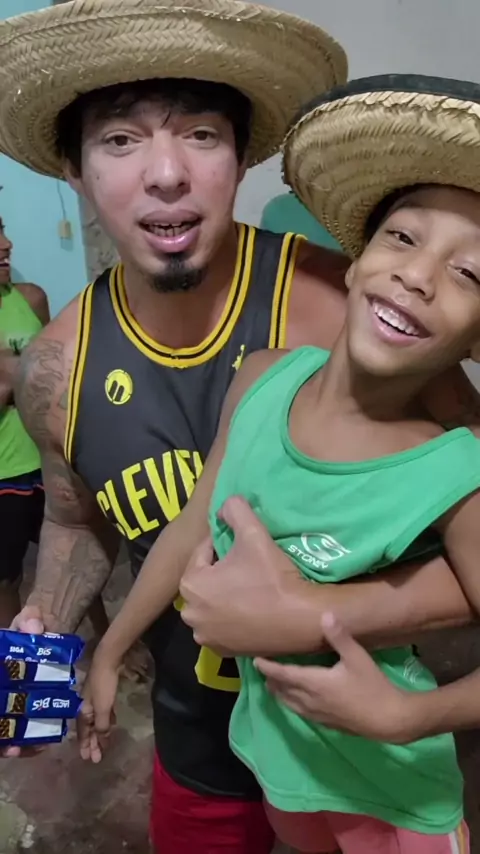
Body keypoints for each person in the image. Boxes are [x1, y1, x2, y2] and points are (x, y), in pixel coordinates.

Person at [0, 0, 477, 848]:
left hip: (356, 750)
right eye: (120, 140)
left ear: (240, 153)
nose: (167, 174)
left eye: (201, 135)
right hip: (194, 739)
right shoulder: (56, 369)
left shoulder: (363, 309)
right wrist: (52, 626)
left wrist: (316, 614)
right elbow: (76, 519)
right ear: (74, 170)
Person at [0, 215, 50, 626]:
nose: (6, 244)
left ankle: (110, 644)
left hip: (50, 460)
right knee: (7, 580)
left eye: (2, 230)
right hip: (4, 473)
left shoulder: (31, 299)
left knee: (78, 559)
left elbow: (58, 378)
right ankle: (16, 659)